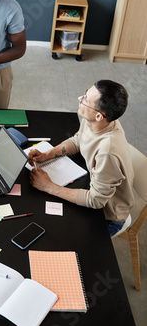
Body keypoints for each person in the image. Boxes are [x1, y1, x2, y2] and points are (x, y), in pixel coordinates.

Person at [28, 80, 134, 237]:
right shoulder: (98, 120)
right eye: (85, 94)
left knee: (59, 236)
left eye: (85, 99)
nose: (79, 98)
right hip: (93, 185)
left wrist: (48, 186)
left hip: (107, 217)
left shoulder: (108, 151)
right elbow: (79, 140)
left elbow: (96, 201)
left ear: (99, 115)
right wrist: (48, 154)